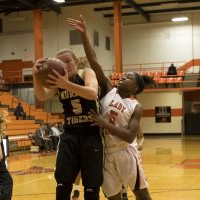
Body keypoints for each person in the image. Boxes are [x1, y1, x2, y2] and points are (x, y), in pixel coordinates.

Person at [68, 15, 155, 200]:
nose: (123, 77)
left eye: (129, 77)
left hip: (126, 152)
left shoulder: (135, 106)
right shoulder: (109, 89)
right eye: (124, 75)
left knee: (142, 195)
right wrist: (84, 35)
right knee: (113, 197)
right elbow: (93, 61)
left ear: (136, 87)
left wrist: (102, 123)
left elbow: (130, 135)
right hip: (106, 152)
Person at [32, 37, 103, 199]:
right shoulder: (58, 82)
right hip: (70, 134)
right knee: (63, 182)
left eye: (68, 61)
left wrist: (66, 85)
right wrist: (35, 75)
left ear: (76, 62)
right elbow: (42, 96)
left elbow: (92, 93)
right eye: (61, 63)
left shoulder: (86, 72)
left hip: (91, 134)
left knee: (92, 185)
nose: (66, 65)